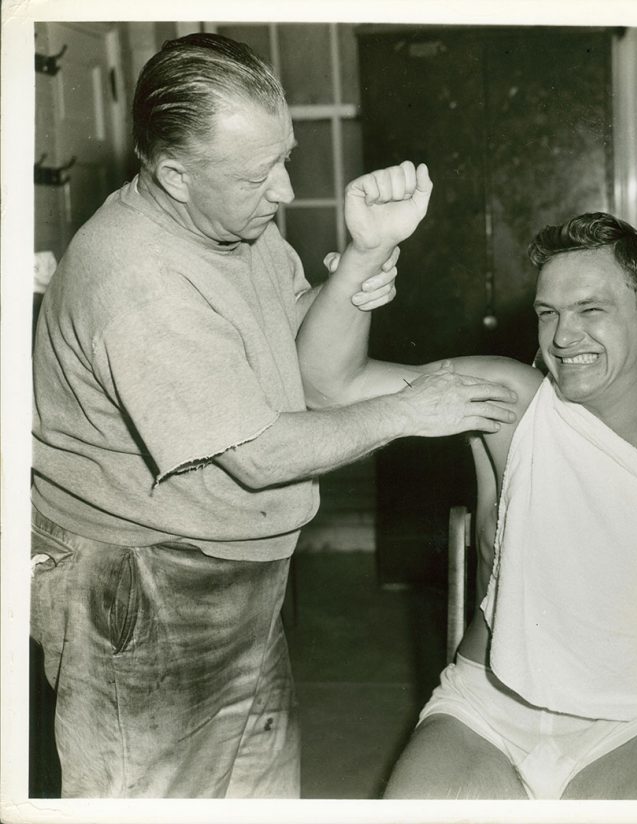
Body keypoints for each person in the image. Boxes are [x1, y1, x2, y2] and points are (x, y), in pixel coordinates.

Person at [29, 33, 518, 799]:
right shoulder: (137, 280)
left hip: (238, 566)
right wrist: (408, 410)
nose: (286, 190)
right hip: (144, 580)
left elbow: (313, 375)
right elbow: (259, 454)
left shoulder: (239, 221)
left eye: (284, 157)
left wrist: (360, 258)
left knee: (258, 798)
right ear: (175, 177)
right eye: (261, 173)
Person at [298, 208, 637, 799]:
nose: (563, 337)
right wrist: (365, 256)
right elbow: (327, 386)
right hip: (483, 713)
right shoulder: (513, 403)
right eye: (548, 313)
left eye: (590, 311)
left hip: (623, 728)